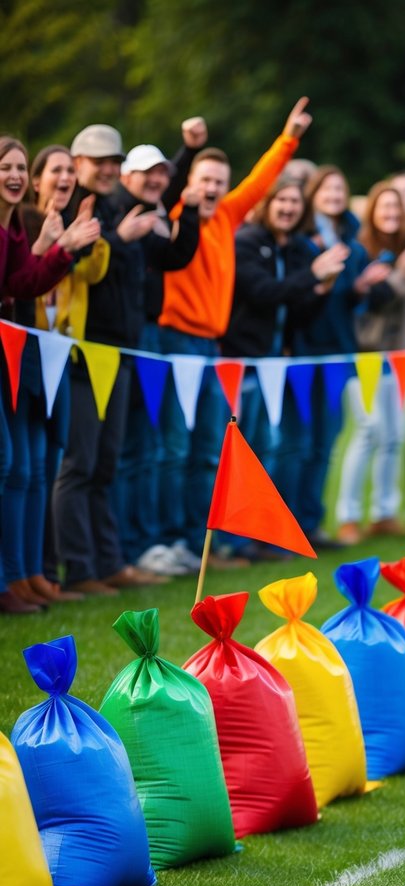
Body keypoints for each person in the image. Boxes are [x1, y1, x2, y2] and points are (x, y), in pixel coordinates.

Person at [156, 97, 313, 567]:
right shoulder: (173, 214)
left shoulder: (226, 215)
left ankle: (204, 545)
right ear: (190, 182)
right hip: (175, 343)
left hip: (212, 347)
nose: (212, 188)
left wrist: (289, 138)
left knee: (209, 451)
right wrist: (188, 152)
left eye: (219, 183)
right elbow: (167, 191)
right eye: (205, 180)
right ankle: (168, 543)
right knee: (174, 449)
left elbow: (259, 181)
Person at [52, 122, 170, 595]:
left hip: (118, 350)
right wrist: (118, 239)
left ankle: (107, 562)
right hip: (80, 351)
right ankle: (77, 570)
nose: (106, 169)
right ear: (77, 164)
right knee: (78, 464)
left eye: (112, 161)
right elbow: (75, 269)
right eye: (97, 161)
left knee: (105, 464)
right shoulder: (67, 212)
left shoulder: (119, 206)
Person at [0, 135, 100, 614]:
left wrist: (59, 251)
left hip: (46, 355)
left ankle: (28, 573)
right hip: (21, 353)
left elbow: (25, 282)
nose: (15, 175)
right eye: (9, 167)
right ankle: (13, 576)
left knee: (35, 465)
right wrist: (55, 249)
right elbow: (20, 287)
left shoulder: (15, 228)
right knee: (13, 464)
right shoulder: (20, 225)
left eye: (19, 166)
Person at [222, 173, 347, 552]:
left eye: (295, 203)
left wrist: (321, 290)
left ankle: (271, 534)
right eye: (282, 201)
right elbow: (262, 293)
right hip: (243, 364)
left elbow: (297, 312)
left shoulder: (295, 248)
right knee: (247, 454)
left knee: (280, 448)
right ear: (266, 204)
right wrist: (312, 276)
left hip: (280, 363)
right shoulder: (245, 242)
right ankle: (236, 541)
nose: (288, 209)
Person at [110, 141, 201, 576]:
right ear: (126, 175)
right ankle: (128, 547)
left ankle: (146, 543)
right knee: (131, 448)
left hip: (148, 335)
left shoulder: (154, 211)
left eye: (162, 173)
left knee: (147, 445)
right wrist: (188, 151)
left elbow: (176, 256)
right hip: (124, 341)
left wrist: (192, 214)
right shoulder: (121, 211)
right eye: (147, 172)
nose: (156, 179)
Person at [335, 181, 405, 543]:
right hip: (364, 357)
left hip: (400, 356)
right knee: (369, 431)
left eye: (397, 210)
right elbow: (375, 299)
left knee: (395, 435)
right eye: (384, 209)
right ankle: (348, 516)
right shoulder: (358, 252)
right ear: (372, 213)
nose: (392, 216)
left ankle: (384, 512)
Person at [291, 164, 386, 545]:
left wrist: (360, 287)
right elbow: (300, 298)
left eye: (339, 189)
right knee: (300, 442)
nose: (333, 195)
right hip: (305, 350)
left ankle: (312, 524)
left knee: (326, 442)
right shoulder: (301, 240)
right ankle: (293, 526)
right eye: (326, 189)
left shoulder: (353, 242)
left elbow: (348, 301)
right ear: (313, 194)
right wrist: (319, 277)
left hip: (340, 349)